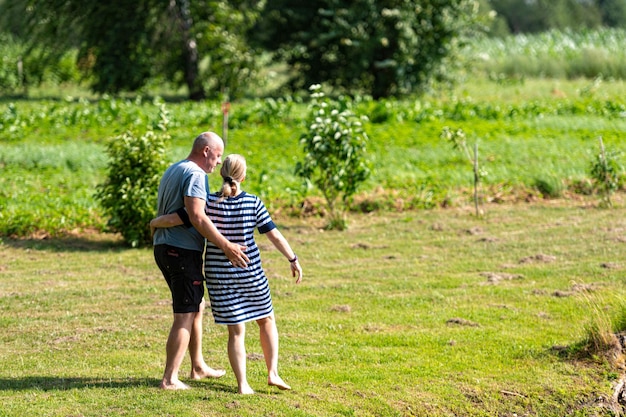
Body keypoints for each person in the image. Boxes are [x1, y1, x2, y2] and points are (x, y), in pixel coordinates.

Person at [151, 154, 303, 394]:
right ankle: (272, 373)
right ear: (243, 177)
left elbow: (181, 217)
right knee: (266, 319)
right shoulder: (253, 202)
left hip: (219, 275)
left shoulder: (208, 202)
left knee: (236, 331)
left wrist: (155, 222)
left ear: (221, 174)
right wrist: (292, 258)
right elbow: (273, 234)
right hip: (249, 270)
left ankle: (243, 385)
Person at [152, 132, 250, 390]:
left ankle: (197, 366)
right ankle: (170, 379)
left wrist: (157, 222)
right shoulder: (196, 175)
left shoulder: (175, 168)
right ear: (206, 151)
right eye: (217, 156)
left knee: (197, 306)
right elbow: (196, 216)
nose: (218, 163)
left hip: (164, 247)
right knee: (184, 313)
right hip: (181, 250)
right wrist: (226, 246)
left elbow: (181, 213)